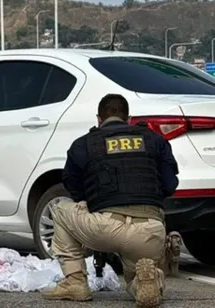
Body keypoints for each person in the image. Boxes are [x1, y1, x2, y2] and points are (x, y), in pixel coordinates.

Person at [43, 93, 180, 307]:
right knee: (134, 275)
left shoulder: (83, 144)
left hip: (103, 228)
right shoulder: (153, 140)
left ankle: (75, 282)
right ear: (129, 118)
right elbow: (170, 185)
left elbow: (73, 187)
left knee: (60, 208)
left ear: (98, 119)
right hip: (149, 230)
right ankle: (148, 281)